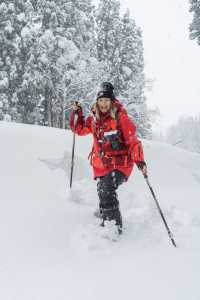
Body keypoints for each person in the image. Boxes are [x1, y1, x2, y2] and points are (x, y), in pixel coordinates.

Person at [70, 82, 147, 234]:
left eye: (106, 100)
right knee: (102, 188)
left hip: (121, 165)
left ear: (111, 102)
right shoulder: (93, 121)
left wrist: (139, 160)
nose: (103, 104)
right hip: (102, 166)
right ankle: (105, 213)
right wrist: (77, 113)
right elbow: (78, 129)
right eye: (101, 100)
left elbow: (133, 140)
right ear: (97, 102)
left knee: (106, 187)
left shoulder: (120, 118)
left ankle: (113, 227)